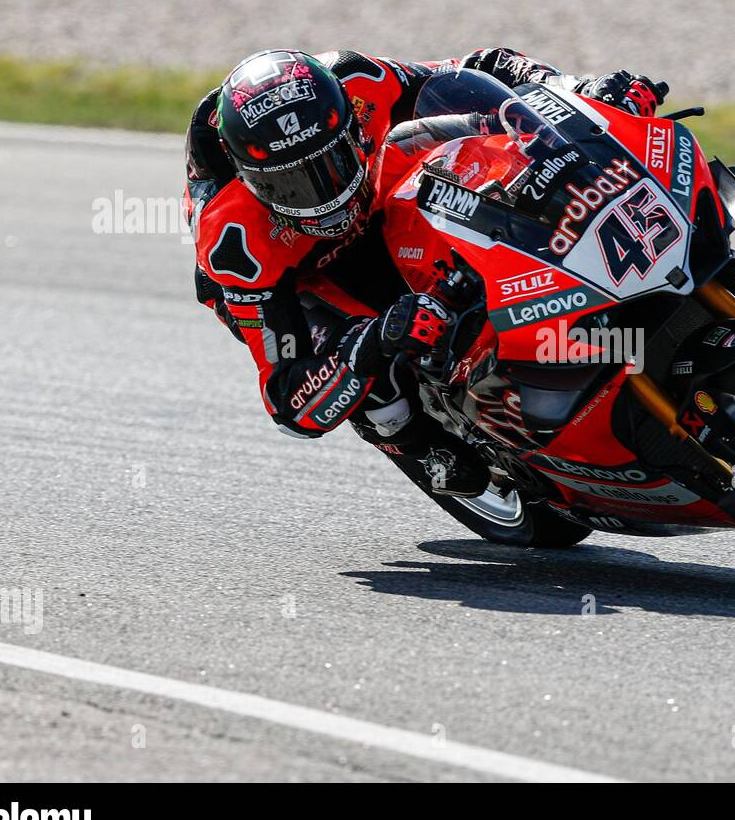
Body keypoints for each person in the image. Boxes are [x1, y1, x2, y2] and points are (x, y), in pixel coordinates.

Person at [184, 47, 666, 495]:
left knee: (486, 146)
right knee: (358, 354)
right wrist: (368, 344)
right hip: (298, 272)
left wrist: (578, 90)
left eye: (331, 162)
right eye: (290, 184)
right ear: (249, 179)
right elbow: (289, 403)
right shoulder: (232, 241)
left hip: (380, 191)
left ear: (351, 122)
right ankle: (410, 439)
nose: (320, 193)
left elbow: (479, 69)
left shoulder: (359, 80)